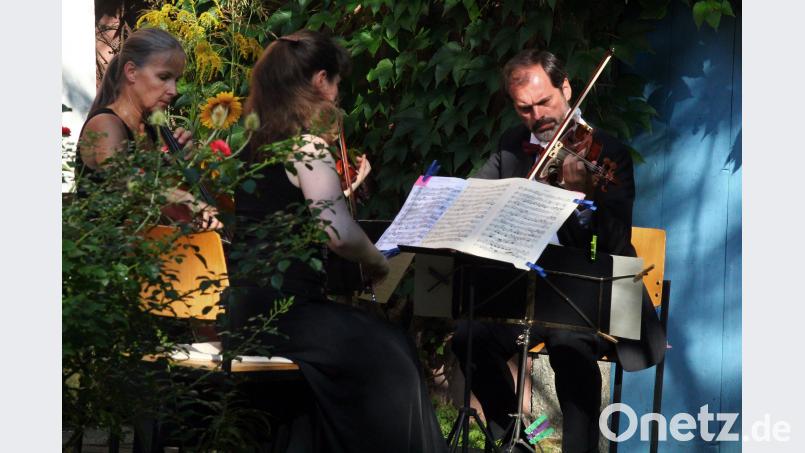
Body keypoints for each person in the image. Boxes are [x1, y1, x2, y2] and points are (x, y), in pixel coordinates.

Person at [225, 29, 448, 453]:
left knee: (363, 350)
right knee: (391, 348)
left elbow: (290, 215)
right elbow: (339, 235)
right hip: (288, 315)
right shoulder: (307, 146)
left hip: (245, 311)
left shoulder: (254, 148)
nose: (337, 94)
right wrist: (377, 263)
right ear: (319, 80)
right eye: (337, 83)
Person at [451, 49, 666, 453]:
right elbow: (476, 201)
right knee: (468, 336)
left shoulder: (608, 152)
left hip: (590, 293)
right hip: (527, 291)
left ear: (565, 88)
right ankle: (527, 440)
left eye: (545, 102)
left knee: (569, 343)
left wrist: (585, 198)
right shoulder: (512, 147)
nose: (538, 116)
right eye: (525, 109)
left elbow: (617, 242)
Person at [77, 27, 221, 230]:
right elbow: (122, 179)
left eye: (176, 80)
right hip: (104, 255)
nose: (174, 91)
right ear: (131, 72)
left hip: (142, 252)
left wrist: (184, 164)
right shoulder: (106, 124)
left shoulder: (153, 129)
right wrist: (181, 196)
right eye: (163, 77)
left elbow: (159, 209)